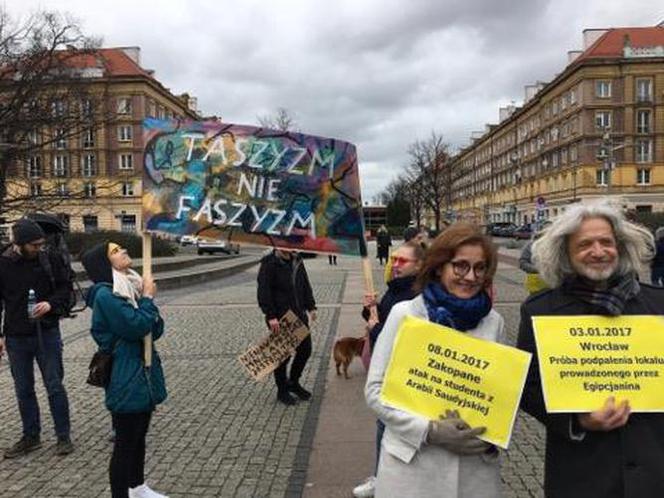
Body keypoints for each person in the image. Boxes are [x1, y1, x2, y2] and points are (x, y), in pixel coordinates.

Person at [517, 201, 664, 498]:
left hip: (654, 470)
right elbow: (528, 387)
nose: (598, 251)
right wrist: (577, 420)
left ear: (619, 247)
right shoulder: (542, 310)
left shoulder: (658, 305)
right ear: (566, 253)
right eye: (585, 244)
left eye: (605, 242)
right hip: (581, 474)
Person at [365, 223, 504, 498]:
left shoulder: (494, 322)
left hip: (473, 472)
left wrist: (490, 441)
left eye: (480, 268)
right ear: (440, 266)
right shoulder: (405, 314)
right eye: (461, 266)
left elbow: (497, 396)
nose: (471, 276)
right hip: (412, 467)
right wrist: (429, 431)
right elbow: (375, 391)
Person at [81, 242, 168, 498]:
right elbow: (134, 327)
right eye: (115, 251)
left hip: (142, 372)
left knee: (140, 435)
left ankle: (138, 487)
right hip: (125, 374)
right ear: (105, 264)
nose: (123, 252)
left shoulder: (131, 286)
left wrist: (146, 302)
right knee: (125, 443)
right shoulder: (106, 295)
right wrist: (149, 300)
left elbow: (155, 329)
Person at [353, 241, 425, 498]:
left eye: (401, 261)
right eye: (394, 259)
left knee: (393, 429)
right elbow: (382, 319)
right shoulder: (396, 289)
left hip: (405, 375)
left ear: (418, 265)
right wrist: (369, 309)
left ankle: (386, 481)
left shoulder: (416, 297)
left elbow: (401, 342)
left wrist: (374, 328)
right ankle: (382, 477)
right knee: (384, 427)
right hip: (387, 371)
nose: (394, 264)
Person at [0, 218, 73, 458]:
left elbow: (65, 289)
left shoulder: (49, 259)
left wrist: (50, 304)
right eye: (34, 245)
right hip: (16, 337)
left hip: (47, 333)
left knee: (54, 386)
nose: (39, 248)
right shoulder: (3, 263)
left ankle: (63, 437)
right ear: (18, 244)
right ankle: (31, 436)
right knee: (23, 389)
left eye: (41, 243)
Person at [257, 249, 317, 405]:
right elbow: (264, 291)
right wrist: (271, 316)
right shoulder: (269, 263)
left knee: (305, 350)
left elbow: (305, 284)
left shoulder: (297, 260)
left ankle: (293, 383)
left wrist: (311, 306)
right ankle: (282, 390)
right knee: (283, 355)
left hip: (298, 314)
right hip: (280, 317)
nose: (287, 247)